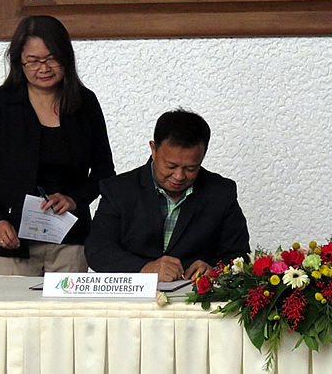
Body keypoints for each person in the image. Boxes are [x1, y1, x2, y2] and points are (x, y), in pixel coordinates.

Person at [0, 15, 115, 275]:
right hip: (11, 239)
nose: (43, 68)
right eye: (33, 61)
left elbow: (104, 172)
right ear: (19, 62)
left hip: (69, 239)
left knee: (69, 316)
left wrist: (75, 199)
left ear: (66, 58)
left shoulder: (85, 103)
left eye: (51, 59)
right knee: (13, 315)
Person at [84, 109, 250, 282]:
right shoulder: (119, 190)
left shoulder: (220, 192)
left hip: (195, 299)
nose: (179, 176)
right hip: (133, 299)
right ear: (153, 149)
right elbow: (97, 250)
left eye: (191, 168)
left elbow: (239, 254)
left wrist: (215, 270)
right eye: (170, 166)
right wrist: (145, 269)